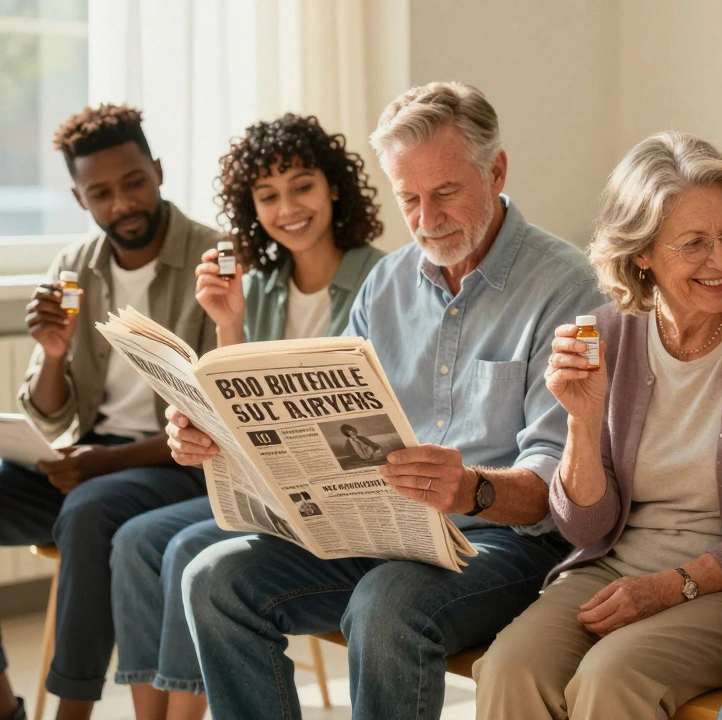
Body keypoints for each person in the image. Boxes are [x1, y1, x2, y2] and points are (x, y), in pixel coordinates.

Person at [168, 81, 606, 720]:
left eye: (446, 193)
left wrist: (470, 489)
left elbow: (554, 485)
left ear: (497, 170)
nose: (427, 220)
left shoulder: (568, 287)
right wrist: (221, 434)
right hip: (385, 527)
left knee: (386, 604)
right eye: (409, 199)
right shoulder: (388, 281)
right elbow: (321, 417)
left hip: (507, 542)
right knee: (213, 580)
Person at [473, 131, 722, 719]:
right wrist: (582, 421)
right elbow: (586, 526)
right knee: (512, 667)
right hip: (612, 567)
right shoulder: (609, 332)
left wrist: (673, 585)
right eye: (693, 244)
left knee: (612, 678)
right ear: (642, 254)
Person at [107, 113, 386, 720]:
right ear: (251, 206)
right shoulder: (257, 287)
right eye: (268, 195)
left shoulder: (380, 278)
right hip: (264, 493)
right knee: (133, 540)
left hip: (332, 499)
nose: (288, 207)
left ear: (333, 186)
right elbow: (235, 416)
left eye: (302, 185)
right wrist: (226, 321)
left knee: (186, 550)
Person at [0, 104, 218, 720]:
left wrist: (102, 464)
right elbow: (48, 417)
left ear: (159, 171)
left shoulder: (213, 258)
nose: (123, 203)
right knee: (84, 502)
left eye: (134, 183)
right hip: (88, 465)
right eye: (102, 192)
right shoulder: (74, 268)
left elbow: (214, 418)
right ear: (79, 197)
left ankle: (70, 712)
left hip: (175, 467)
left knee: (91, 510)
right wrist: (50, 356)